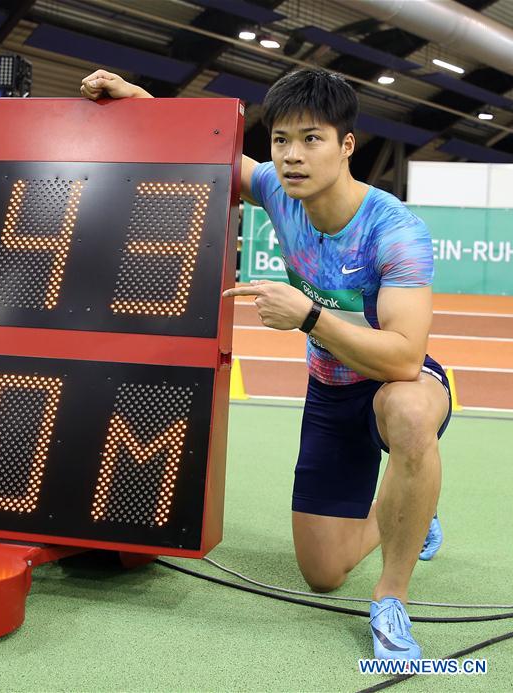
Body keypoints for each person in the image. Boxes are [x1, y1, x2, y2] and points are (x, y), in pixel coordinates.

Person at [80, 68, 451, 661]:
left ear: (346, 145)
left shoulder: (396, 231)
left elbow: (405, 356)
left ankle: (391, 599)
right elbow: (197, 140)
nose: (292, 156)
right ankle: (413, 508)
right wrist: (137, 98)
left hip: (395, 380)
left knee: (407, 411)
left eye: (311, 139)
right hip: (330, 391)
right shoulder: (281, 192)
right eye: (281, 140)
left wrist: (309, 318)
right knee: (323, 572)